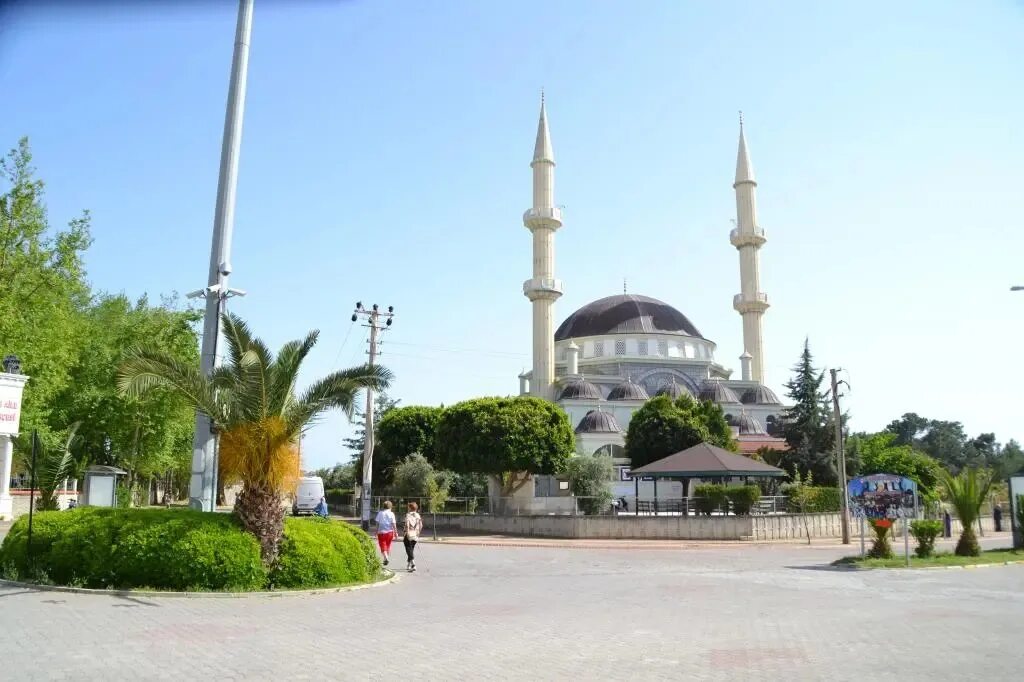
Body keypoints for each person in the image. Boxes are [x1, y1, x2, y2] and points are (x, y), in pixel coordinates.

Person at [374, 500, 397, 566]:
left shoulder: (380, 513)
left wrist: (376, 532)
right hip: (390, 532)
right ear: (390, 507)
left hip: (381, 532)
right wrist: (396, 532)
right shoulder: (392, 514)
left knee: (382, 545)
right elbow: (393, 523)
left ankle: (386, 558)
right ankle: (385, 559)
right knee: (388, 545)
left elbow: (377, 523)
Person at [403, 501, 423, 573]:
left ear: (410, 508)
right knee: (411, 549)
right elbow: (421, 525)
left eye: (408, 507)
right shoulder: (418, 515)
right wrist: (418, 533)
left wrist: (407, 532)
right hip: (415, 534)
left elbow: (407, 525)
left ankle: (413, 565)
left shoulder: (408, 515)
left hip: (409, 534)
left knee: (408, 549)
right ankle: (408, 565)